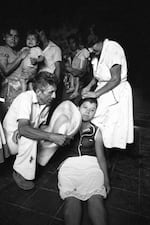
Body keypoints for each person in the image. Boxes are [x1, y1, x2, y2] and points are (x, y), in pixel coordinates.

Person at [3, 71, 68, 190]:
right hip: (8, 141)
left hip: (20, 135)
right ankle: (20, 172)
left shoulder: (45, 103)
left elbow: (39, 127)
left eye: (55, 91)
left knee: (46, 133)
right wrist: (51, 136)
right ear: (38, 92)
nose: (54, 96)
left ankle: (32, 162)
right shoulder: (25, 98)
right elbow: (23, 129)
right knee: (31, 136)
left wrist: (57, 134)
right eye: (51, 92)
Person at [58, 97, 110, 225]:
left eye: (92, 110)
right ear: (78, 108)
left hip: (92, 165)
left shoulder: (97, 132)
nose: (88, 112)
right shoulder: (66, 126)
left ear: (95, 113)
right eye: (85, 107)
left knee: (96, 198)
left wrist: (106, 181)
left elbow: (101, 158)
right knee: (71, 198)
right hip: (70, 166)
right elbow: (49, 135)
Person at [81, 34, 134, 151]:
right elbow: (98, 75)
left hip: (116, 90)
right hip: (103, 89)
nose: (90, 50)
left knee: (110, 126)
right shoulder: (96, 54)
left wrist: (95, 94)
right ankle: (98, 153)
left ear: (99, 40)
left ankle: (106, 155)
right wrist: (89, 86)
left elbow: (116, 79)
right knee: (97, 121)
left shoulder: (113, 48)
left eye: (91, 45)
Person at [0, 27, 29, 111]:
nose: (13, 39)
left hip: (21, 89)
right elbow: (6, 70)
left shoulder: (19, 51)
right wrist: (21, 57)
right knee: (8, 118)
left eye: (16, 36)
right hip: (8, 90)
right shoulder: (1, 49)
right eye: (10, 35)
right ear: (4, 37)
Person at [63, 34, 92, 105]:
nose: (71, 45)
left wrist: (71, 70)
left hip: (79, 86)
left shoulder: (82, 54)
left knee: (77, 106)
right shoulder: (67, 55)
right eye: (69, 43)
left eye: (73, 42)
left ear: (77, 43)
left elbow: (83, 71)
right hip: (68, 85)